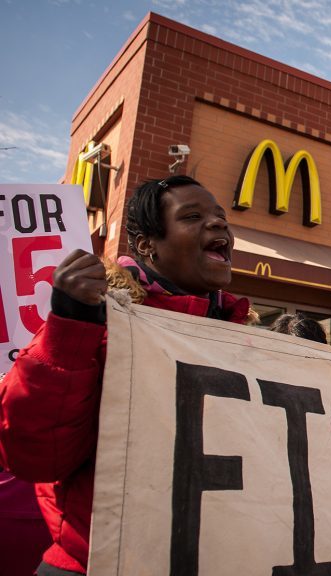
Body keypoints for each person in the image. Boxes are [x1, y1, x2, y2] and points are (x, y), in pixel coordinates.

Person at [0, 176, 252, 575]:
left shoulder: (245, 340)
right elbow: (35, 458)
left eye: (220, 217)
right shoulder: (98, 320)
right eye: (192, 216)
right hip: (96, 563)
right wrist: (71, 323)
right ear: (148, 244)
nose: (219, 224)